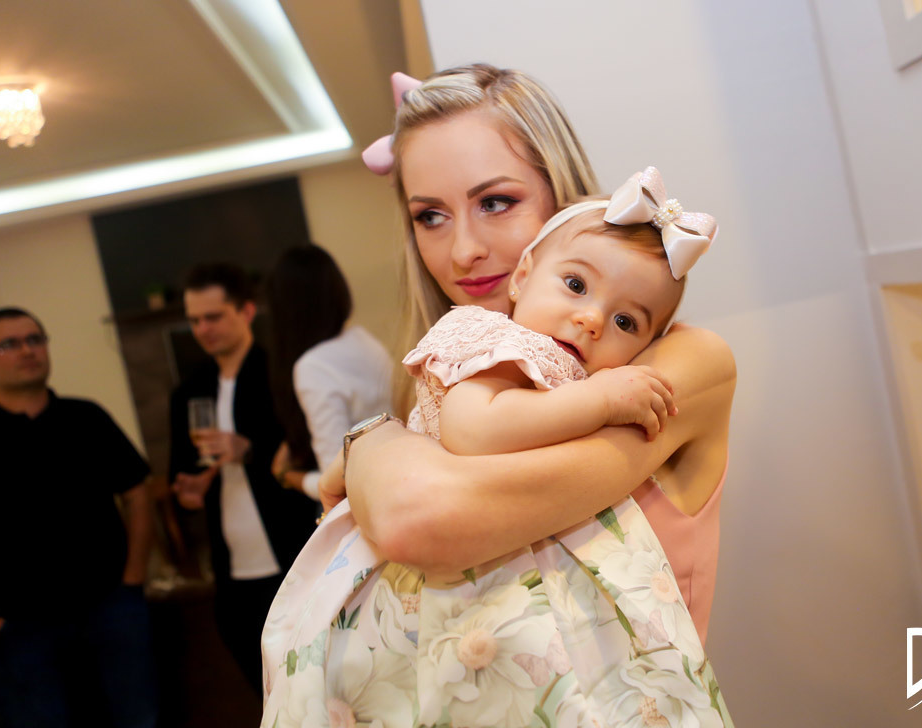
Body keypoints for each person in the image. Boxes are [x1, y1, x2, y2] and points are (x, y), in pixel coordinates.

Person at [262, 171, 730, 727]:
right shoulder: (500, 344)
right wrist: (601, 401)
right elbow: (474, 429)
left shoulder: (663, 364)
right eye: (575, 285)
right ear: (524, 275)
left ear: (649, 345)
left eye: (626, 321)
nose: (592, 319)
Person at [324, 63, 734, 642]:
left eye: (495, 202)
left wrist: (370, 444)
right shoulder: (457, 367)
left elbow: (418, 517)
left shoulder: (683, 365)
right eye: (430, 216)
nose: (463, 251)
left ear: (559, 193)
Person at [0, 307, 157, 728]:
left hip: (111, 610)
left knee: (138, 720)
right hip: (17, 629)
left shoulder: (87, 417)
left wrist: (134, 578)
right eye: (8, 344)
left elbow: (137, 492)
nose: (27, 350)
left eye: (35, 339)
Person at [168, 263, 315, 692]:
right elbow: (181, 475)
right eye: (195, 320)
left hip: (295, 552)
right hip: (232, 569)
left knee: (313, 685)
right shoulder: (188, 391)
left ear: (247, 311)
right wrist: (188, 491)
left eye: (213, 316)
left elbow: (311, 455)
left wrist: (248, 451)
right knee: (263, 691)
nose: (203, 329)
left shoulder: (282, 374)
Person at [263, 244, 392, 501]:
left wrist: (287, 475)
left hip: (370, 496)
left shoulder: (312, 366)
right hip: (395, 472)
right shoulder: (363, 339)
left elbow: (337, 479)